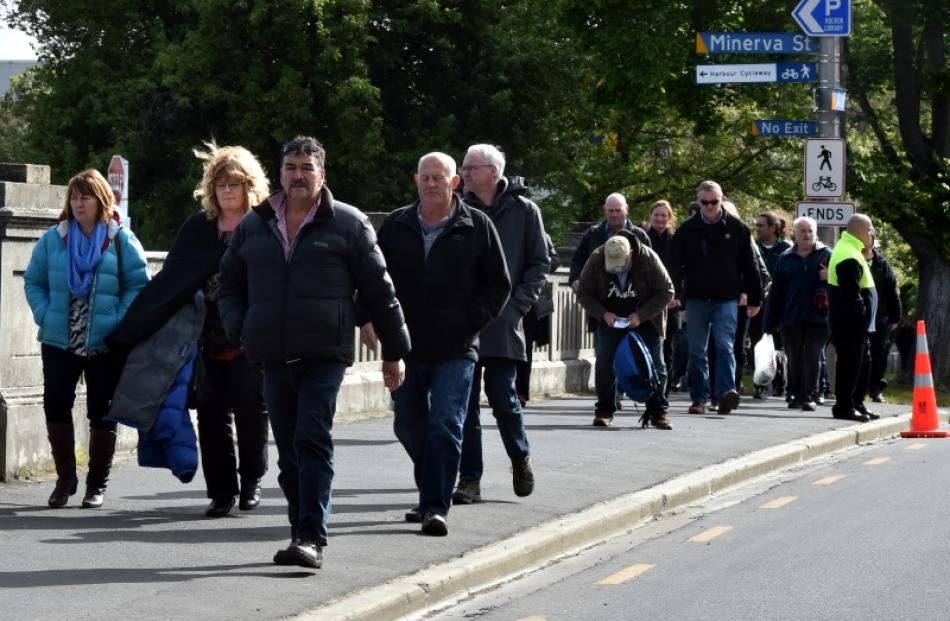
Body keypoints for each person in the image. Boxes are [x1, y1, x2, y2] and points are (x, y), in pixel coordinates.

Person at [217, 136, 410, 568]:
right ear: (280, 173)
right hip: (271, 354)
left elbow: (381, 292)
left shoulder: (349, 223)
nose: (297, 175)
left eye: (306, 167)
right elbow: (228, 283)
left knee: (311, 438)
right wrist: (241, 327)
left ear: (322, 174)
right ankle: (299, 529)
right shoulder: (256, 224)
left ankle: (311, 537)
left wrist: (394, 352)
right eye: (290, 167)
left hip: (325, 353)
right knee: (288, 452)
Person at [107, 143, 272, 517]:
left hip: (250, 337)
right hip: (205, 339)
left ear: (249, 185)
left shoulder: (264, 226)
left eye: (234, 183)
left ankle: (251, 482)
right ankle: (221, 492)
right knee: (212, 415)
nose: (226, 191)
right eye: (220, 184)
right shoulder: (198, 228)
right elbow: (171, 281)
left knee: (251, 409)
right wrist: (131, 329)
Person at [369, 151, 510, 536]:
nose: (431, 183)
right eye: (425, 177)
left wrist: (468, 324)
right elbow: (373, 280)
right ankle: (433, 485)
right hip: (406, 348)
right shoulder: (396, 225)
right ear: (416, 181)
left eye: (439, 177)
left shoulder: (476, 225)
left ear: (454, 183)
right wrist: (369, 319)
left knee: (445, 423)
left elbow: (498, 285)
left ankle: (435, 506)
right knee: (409, 426)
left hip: (456, 349)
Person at [23, 169, 149, 508]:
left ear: (100, 200)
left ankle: (97, 484)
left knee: (102, 412)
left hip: (105, 341)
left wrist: (118, 324)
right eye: (74, 198)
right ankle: (65, 480)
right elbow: (33, 281)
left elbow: (139, 285)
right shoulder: (55, 238)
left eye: (86, 197)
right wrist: (44, 313)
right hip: (59, 338)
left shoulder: (120, 239)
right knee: (55, 406)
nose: (79, 204)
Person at [452, 144, 549, 506]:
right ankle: (470, 478)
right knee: (464, 403)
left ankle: (519, 457)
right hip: (466, 321)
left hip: (505, 320)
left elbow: (540, 262)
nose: (464, 173)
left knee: (503, 397)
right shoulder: (458, 208)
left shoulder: (525, 211)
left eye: (470, 167)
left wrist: (516, 307)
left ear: (492, 172)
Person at [669, 181, 762, 416]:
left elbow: (750, 266)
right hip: (697, 298)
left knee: (724, 346)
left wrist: (754, 298)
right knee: (697, 351)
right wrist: (675, 296)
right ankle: (699, 398)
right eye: (705, 202)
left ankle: (725, 393)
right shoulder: (687, 230)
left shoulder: (737, 228)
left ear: (721, 200)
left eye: (714, 201)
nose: (709, 206)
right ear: (698, 202)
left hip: (726, 298)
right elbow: (674, 266)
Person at [576, 231, 674, 428]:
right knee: (604, 364)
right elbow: (584, 293)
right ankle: (604, 410)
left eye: (621, 262)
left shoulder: (649, 258)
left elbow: (666, 291)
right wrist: (603, 314)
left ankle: (658, 411)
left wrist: (641, 315)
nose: (617, 268)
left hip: (646, 318)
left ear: (631, 254)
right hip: (611, 318)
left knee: (657, 365)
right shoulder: (596, 258)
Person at [762, 217, 831, 411]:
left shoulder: (827, 255)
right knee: (794, 357)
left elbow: (841, 285)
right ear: (795, 233)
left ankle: (808, 394)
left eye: (810, 231)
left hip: (819, 318)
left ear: (815, 233)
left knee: (812, 355)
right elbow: (776, 293)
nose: (807, 234)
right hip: (790, 317)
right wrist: (769, 324)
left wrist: (827, 280)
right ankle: (794, 391)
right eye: (803, 231)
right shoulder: (785, 258)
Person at [827, 213, 878, 423]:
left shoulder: (851, 250)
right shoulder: (847, 254)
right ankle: (844, 407)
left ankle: (856, 403)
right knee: (850, 364)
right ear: (858, 231)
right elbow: (852, 295)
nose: (871, 233)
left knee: (861, 364)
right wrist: (862, 320)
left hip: (855, 323)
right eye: (869, 230)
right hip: (850, 323)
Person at [568, 192, 651, 292]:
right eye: (611, 211)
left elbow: (650, 267)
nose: (614, 214)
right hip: (599, 298)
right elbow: (578, 261)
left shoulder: (640, 237)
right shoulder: (592, 234)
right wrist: (574, 279)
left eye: (618, 210)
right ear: (605, 211)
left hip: (632, 297)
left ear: (627, 210)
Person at [750, 212, 792, 399]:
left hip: (778, 304)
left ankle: (780, 383)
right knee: (758, 345)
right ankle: (759, 384)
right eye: (756, 225)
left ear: (773, 228)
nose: (757, 229)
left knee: (778, 345)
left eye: (761, 225)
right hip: (757, 304)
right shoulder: (752, 247)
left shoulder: (786, 249)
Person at [516, 231, 560, 406]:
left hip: (531, 300)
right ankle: (503, 391)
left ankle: (521, 393)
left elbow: (555, 260)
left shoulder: (541, 235)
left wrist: (535, 266)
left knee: (524, 348)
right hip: (504, 297)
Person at [643, 200, 682, 396]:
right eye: (656, 215)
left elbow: (684, 271)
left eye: (664, 215)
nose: (660, 218)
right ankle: (645, 385)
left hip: (670, 302)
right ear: (650, 217)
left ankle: (662, 391)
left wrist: (679, 298)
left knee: (667, 348)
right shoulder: (642, 239)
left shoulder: (677, 240)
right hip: (646, 302)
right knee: (645, 345)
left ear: (670, 218)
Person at [863, 234, 901, 403]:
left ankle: (876, 389)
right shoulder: (852, 258)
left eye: (868, 237)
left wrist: (895, 316)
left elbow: (892, 290)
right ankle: (858, 388)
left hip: (879, 315)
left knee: (880, 352)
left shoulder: (882, 263)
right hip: (857, 313)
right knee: (859, 353)